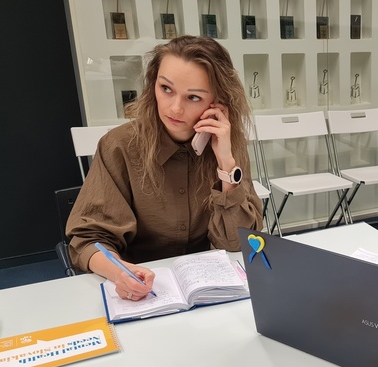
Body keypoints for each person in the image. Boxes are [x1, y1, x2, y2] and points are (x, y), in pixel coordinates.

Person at [67, 35, 263, 302]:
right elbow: (87, 241)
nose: (175, 108)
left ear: (217, 103)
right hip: (141, 291)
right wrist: (119, 272)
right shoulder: (120, 146)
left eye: (193, 97)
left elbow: (237, 244)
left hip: (206, 290)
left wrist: (226, 164)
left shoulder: (226, 144)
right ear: (153, 85)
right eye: (166, 89)